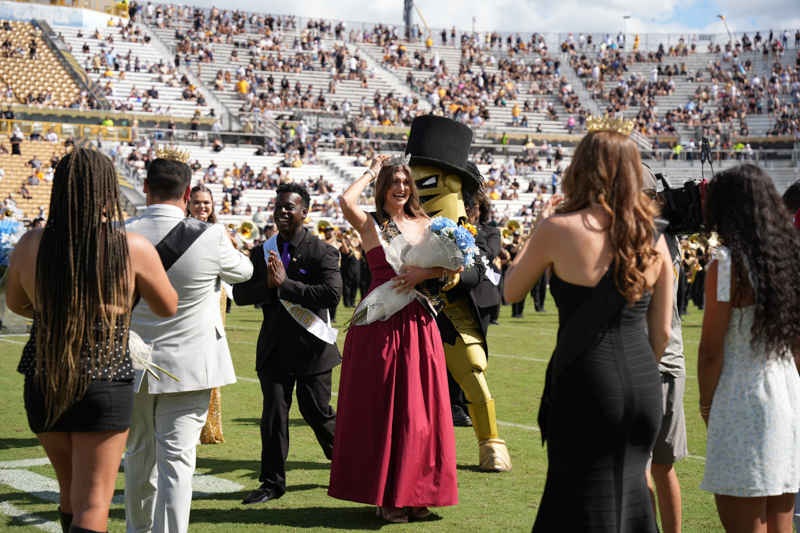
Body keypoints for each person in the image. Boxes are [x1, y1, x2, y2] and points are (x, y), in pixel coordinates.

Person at [505, 129, 674, 532]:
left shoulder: (559, 228)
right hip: (643, 383)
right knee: (632, 493)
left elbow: (511, 290)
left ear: (580, 169)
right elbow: (663, 333)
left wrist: (539, 226)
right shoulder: (654, 235)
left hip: (585, 383)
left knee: (576, 497)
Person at [7, 148, 178, 533]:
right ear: (106, 192)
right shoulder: (131, 246)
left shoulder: (31, 243)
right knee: (94, 501)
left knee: (69, 494)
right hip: (103, 377)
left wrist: (64, 315)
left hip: (43, 373)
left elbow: (16, 303)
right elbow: (168, 305)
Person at [124, 149, 253, 533]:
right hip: (190, 366)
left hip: (131, 363)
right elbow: (244, 271)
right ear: (187, 193)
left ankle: (137, 530)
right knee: (178, 465)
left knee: (136, 456)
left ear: (145, 188)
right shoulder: (210, 235)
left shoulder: (119, 232)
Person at [329, 153, 459, 523]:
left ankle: (416, 493)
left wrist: (423, 274)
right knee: (384, 409)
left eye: (405, 182)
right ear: (383, 188)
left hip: (418, 323)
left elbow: (456, 264)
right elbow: (345, 201)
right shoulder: (371, 224)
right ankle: (386, 496)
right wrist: (371, 169)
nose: (400, 188)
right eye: (393, 182)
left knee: (420, 413)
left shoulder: (428, 222)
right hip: (381, 324)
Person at [697, 164, 800, 533]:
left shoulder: (726, 265)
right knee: (780, 525)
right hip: (788, 393)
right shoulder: (790, 258)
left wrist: (706, 404)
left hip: (744, 397)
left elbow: (711, 350)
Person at [233, 183, 341, 505]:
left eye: (289, 207)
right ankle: (272, 483)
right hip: (275, 350)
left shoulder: (323, 251)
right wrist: (268, 286)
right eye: (278, 205)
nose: (281, 211)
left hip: (312, 351)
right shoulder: (261, 250)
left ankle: (350, 462)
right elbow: (239, 295)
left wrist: (286, 285)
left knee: (317, 413)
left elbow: (331, 295)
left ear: (304, 213)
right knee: (274, 416)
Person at [642, 165, 688, 533]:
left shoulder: (646, 236)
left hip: (648, 361)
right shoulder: (666, 234)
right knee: (662, 465)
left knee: (637, 465)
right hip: (671, 362)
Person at [186, 184, 236, 445]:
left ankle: (209, 425)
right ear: (188, 203)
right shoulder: (180, 229)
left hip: (216, 296)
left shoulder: (220, 232)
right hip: (190, 297)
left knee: (210, 354)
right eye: (196, 202)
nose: (202, 206)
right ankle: (187, 422)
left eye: (206, 202)